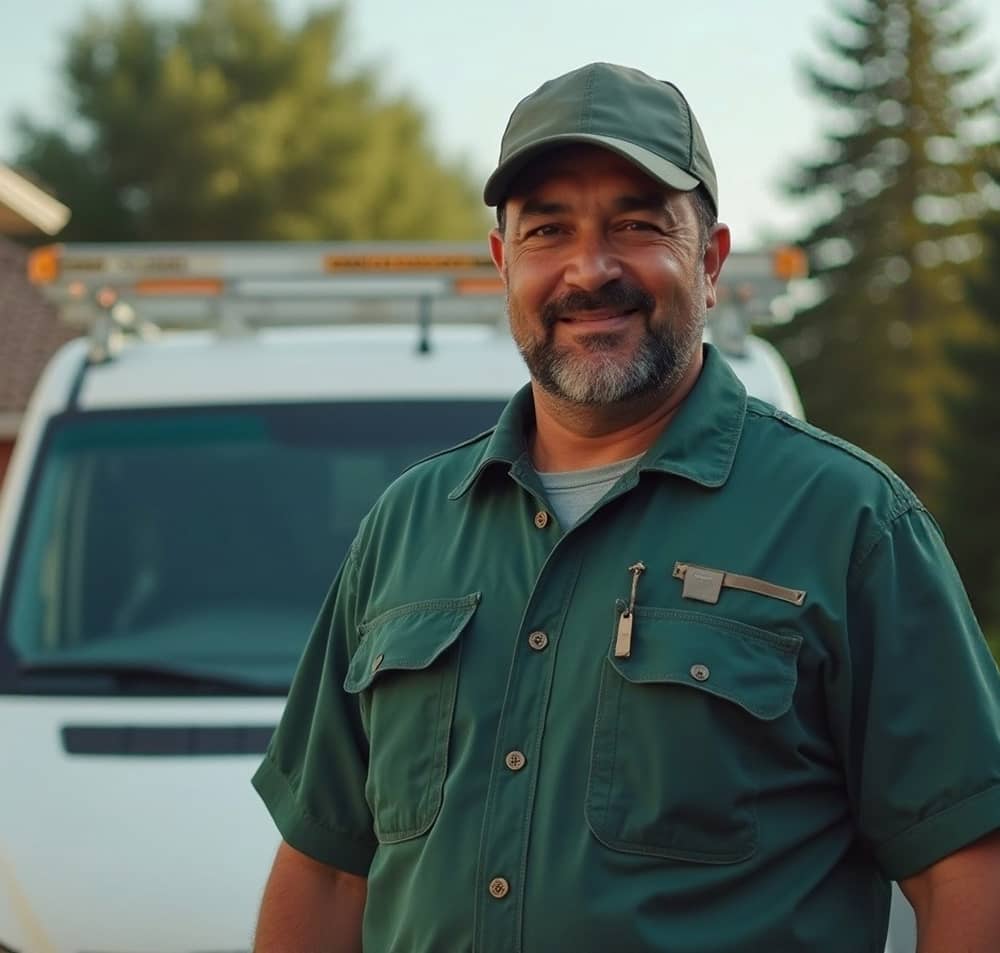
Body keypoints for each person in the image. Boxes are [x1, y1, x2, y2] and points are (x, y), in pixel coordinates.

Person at [251, 62, 1000, 952]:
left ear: (710, 260)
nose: (589, 268)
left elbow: (967, 864)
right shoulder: (406, 527)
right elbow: (328, 869)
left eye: (638, 225)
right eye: (547, 230)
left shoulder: (851, 522)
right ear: (503, 263)